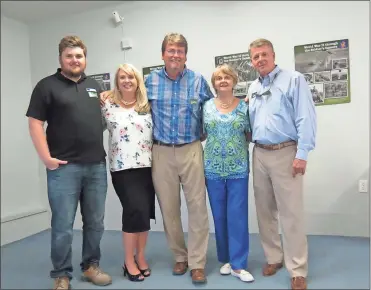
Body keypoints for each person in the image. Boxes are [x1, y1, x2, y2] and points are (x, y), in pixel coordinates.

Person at [100, 32, 214, 284]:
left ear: (186, 55)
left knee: (197, 208)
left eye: (180, 51)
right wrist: (107, 95)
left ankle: (197, 262)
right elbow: (127, 98)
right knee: (169, 209)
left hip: (191, 148)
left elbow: (212, 112)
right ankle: (180, 257)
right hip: (160, 152)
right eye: (171, 50)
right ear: (163, 54)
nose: (175, 55)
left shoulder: (198, 81)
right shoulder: (149, 82)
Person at [25, 35, 112, 290]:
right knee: (63, 225)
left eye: (79, 56)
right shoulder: (46, 86)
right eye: (70, 56)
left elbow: (101, 119)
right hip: (63, 168)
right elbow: (34, 123)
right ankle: (61, 274)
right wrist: (46, 158)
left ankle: (90, 267)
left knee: (95, 222)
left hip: (96, 166)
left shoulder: (94, 85)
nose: (75, 60)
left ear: (85, 59)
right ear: (61, 58)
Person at [246, 38, 317, 290]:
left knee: (291, 214)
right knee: (265, 212)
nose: (260, 59)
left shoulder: (294, 80)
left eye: (264, 54)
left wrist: (302, 153)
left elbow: (306, 117)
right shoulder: (252, 87)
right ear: (252, 61)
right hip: (260, 153)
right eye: (255, 57)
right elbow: (250, 123)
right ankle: (273, 258)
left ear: (273, 55)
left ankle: (297, 268)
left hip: (286, 151)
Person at [101, 63, 155, 282]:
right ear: (117, 81)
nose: (127, 81)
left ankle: (140, 257)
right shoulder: (107, 105)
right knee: (133, 211)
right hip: (122, 168)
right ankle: (128, 261)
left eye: (131, 77)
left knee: (144, 213)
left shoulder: (147, 105)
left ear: (137, 81)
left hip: (147, 166)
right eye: (122, 77)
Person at [202, 64, 254, 283]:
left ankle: (239, 264)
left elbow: (250, 135)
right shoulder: (206, 106)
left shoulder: (244, 107)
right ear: (214, 84)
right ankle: (226, 258)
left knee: (238, 217)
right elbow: (202, 133)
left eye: (227, 77)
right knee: (220, 216)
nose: (222, 81)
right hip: (212, 169)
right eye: (218, 78)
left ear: (234, 81)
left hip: (237, 169)